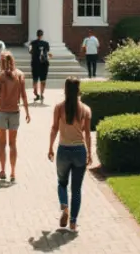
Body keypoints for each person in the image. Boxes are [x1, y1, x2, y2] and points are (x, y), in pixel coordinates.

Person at [48, 77, 94, 233]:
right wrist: (90, 152)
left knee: (62, 183)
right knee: (76, 189)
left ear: (65, 90)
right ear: (79, 90)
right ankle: (73, 222)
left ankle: (64, 206)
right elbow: (87, 134)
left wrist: (50, 147)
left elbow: (54, 128)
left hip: (63, 150)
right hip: (79, 151)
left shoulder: (59, 108)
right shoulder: (86, 110)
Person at [0, 51, 30, 182]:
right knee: (13, 144)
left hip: (1, 111)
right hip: (15, 111)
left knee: (2, 143)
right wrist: (28, 112)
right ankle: (13, 172)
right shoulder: (20, 75)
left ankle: (2, 170)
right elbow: (23, 95)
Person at [28, 29, 52, 103]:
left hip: (35, 63)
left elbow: (30, 51)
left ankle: (36, 94)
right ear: (42, 35)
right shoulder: (46, 43)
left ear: (37, 34)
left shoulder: (32, 43)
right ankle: (41, 94)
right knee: (43, 80)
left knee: (35, 79)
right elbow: (48, 53)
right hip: (44, 64)